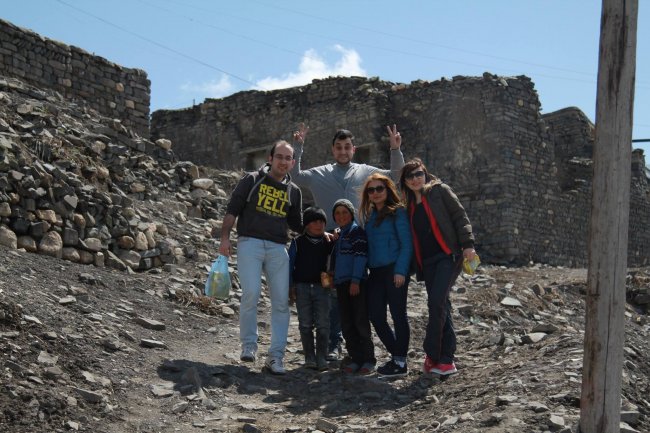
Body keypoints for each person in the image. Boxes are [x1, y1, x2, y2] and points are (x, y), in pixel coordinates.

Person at [291, 124, 406, 360]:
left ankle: (361, 348)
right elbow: (295, 176)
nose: (343, 151)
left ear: (353, 149)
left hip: (360, 241)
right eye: (338, 147)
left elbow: (396, 176)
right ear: (333, 150)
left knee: (357, 294)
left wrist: (395, 150)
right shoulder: (320, 173)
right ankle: (335, 344)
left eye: (347, 147)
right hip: (330, 241)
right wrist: (298, 146)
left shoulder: (365, 171)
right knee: (334, 294)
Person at [219, 140, 302, 376]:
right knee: (251, 293)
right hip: (250, 243)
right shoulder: (252, 180)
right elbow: (232, 209)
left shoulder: (293, 191)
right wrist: (225, 239)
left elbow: (297, 224)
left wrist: (321, 231)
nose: (283, 162)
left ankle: (276, 357)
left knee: (281, 303)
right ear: (270, 158)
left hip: (278, 247)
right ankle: (248, 345)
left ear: (293, 162)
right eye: (280, 157)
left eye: (288, 158)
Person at [398, 158, 476, 376]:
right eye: (410, 176)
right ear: (405, 181)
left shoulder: (440, 191)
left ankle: (435, 355)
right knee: (442, 304)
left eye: (418, 174)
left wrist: (468, 245)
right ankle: (444, 359)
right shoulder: (408, 206)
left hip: (448, 256)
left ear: (426, 174)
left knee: (436, 302)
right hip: (427, 262)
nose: (415, 179)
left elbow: (460, 216)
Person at [359, 174, 413, 377]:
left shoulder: (398, 212)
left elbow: (406, 244)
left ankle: (399, 362)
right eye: (371, 190)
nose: (375, 193)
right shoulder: (369, 216)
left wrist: (400, 270)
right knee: (376, 316)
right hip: (375, 273)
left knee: (399, 315)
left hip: (394, 270)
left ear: (387, 189)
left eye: (379, 188)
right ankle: (398, 357)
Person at [330, 199, 376, 375]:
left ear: (351, 213)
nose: (341, 216)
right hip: (342, 284)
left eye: (345, 212)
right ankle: (356, 358)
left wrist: (356, 280)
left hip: (356, 284)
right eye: (337, 213)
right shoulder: (340, 235)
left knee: (360, 321)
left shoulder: (357, 232)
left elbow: (360, 257)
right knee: (347, 322)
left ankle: (368, 359)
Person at [288, 206, 334, 371]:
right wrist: (290, 286)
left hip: (323, 288)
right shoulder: (297, 242)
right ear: (306, 224)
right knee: (305, 323)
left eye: (322, 221)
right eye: (315, 221)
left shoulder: (329, 242)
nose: (319, 224)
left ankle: (321, 356)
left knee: (323, 323)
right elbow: (290, 265)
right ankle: (309, 357)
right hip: (302, 287)